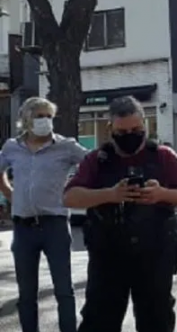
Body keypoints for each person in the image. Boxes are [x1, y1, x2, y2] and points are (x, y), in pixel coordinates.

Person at [64, 96, 177, 332]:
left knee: (156, 320)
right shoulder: (97, 160)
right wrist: (110, 195)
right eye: (122, 131)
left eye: (136, 129)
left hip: (154, 255)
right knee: (99, 321)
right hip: (108, 256)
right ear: (110, 129)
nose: (130, 136)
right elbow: (70, 196)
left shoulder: (164, 156)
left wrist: (162, 194)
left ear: (145, 125)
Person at [0, 97, 87, 332]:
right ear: (26, 119)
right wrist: (11, 194)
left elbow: (91, 164)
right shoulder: (12, 147)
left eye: (48, 116)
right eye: (39, 116)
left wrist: (75, 191)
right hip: (23, 227)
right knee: (26, 293)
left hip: (55, 225)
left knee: (63, 290)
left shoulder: (66, 146)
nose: (45, 121)